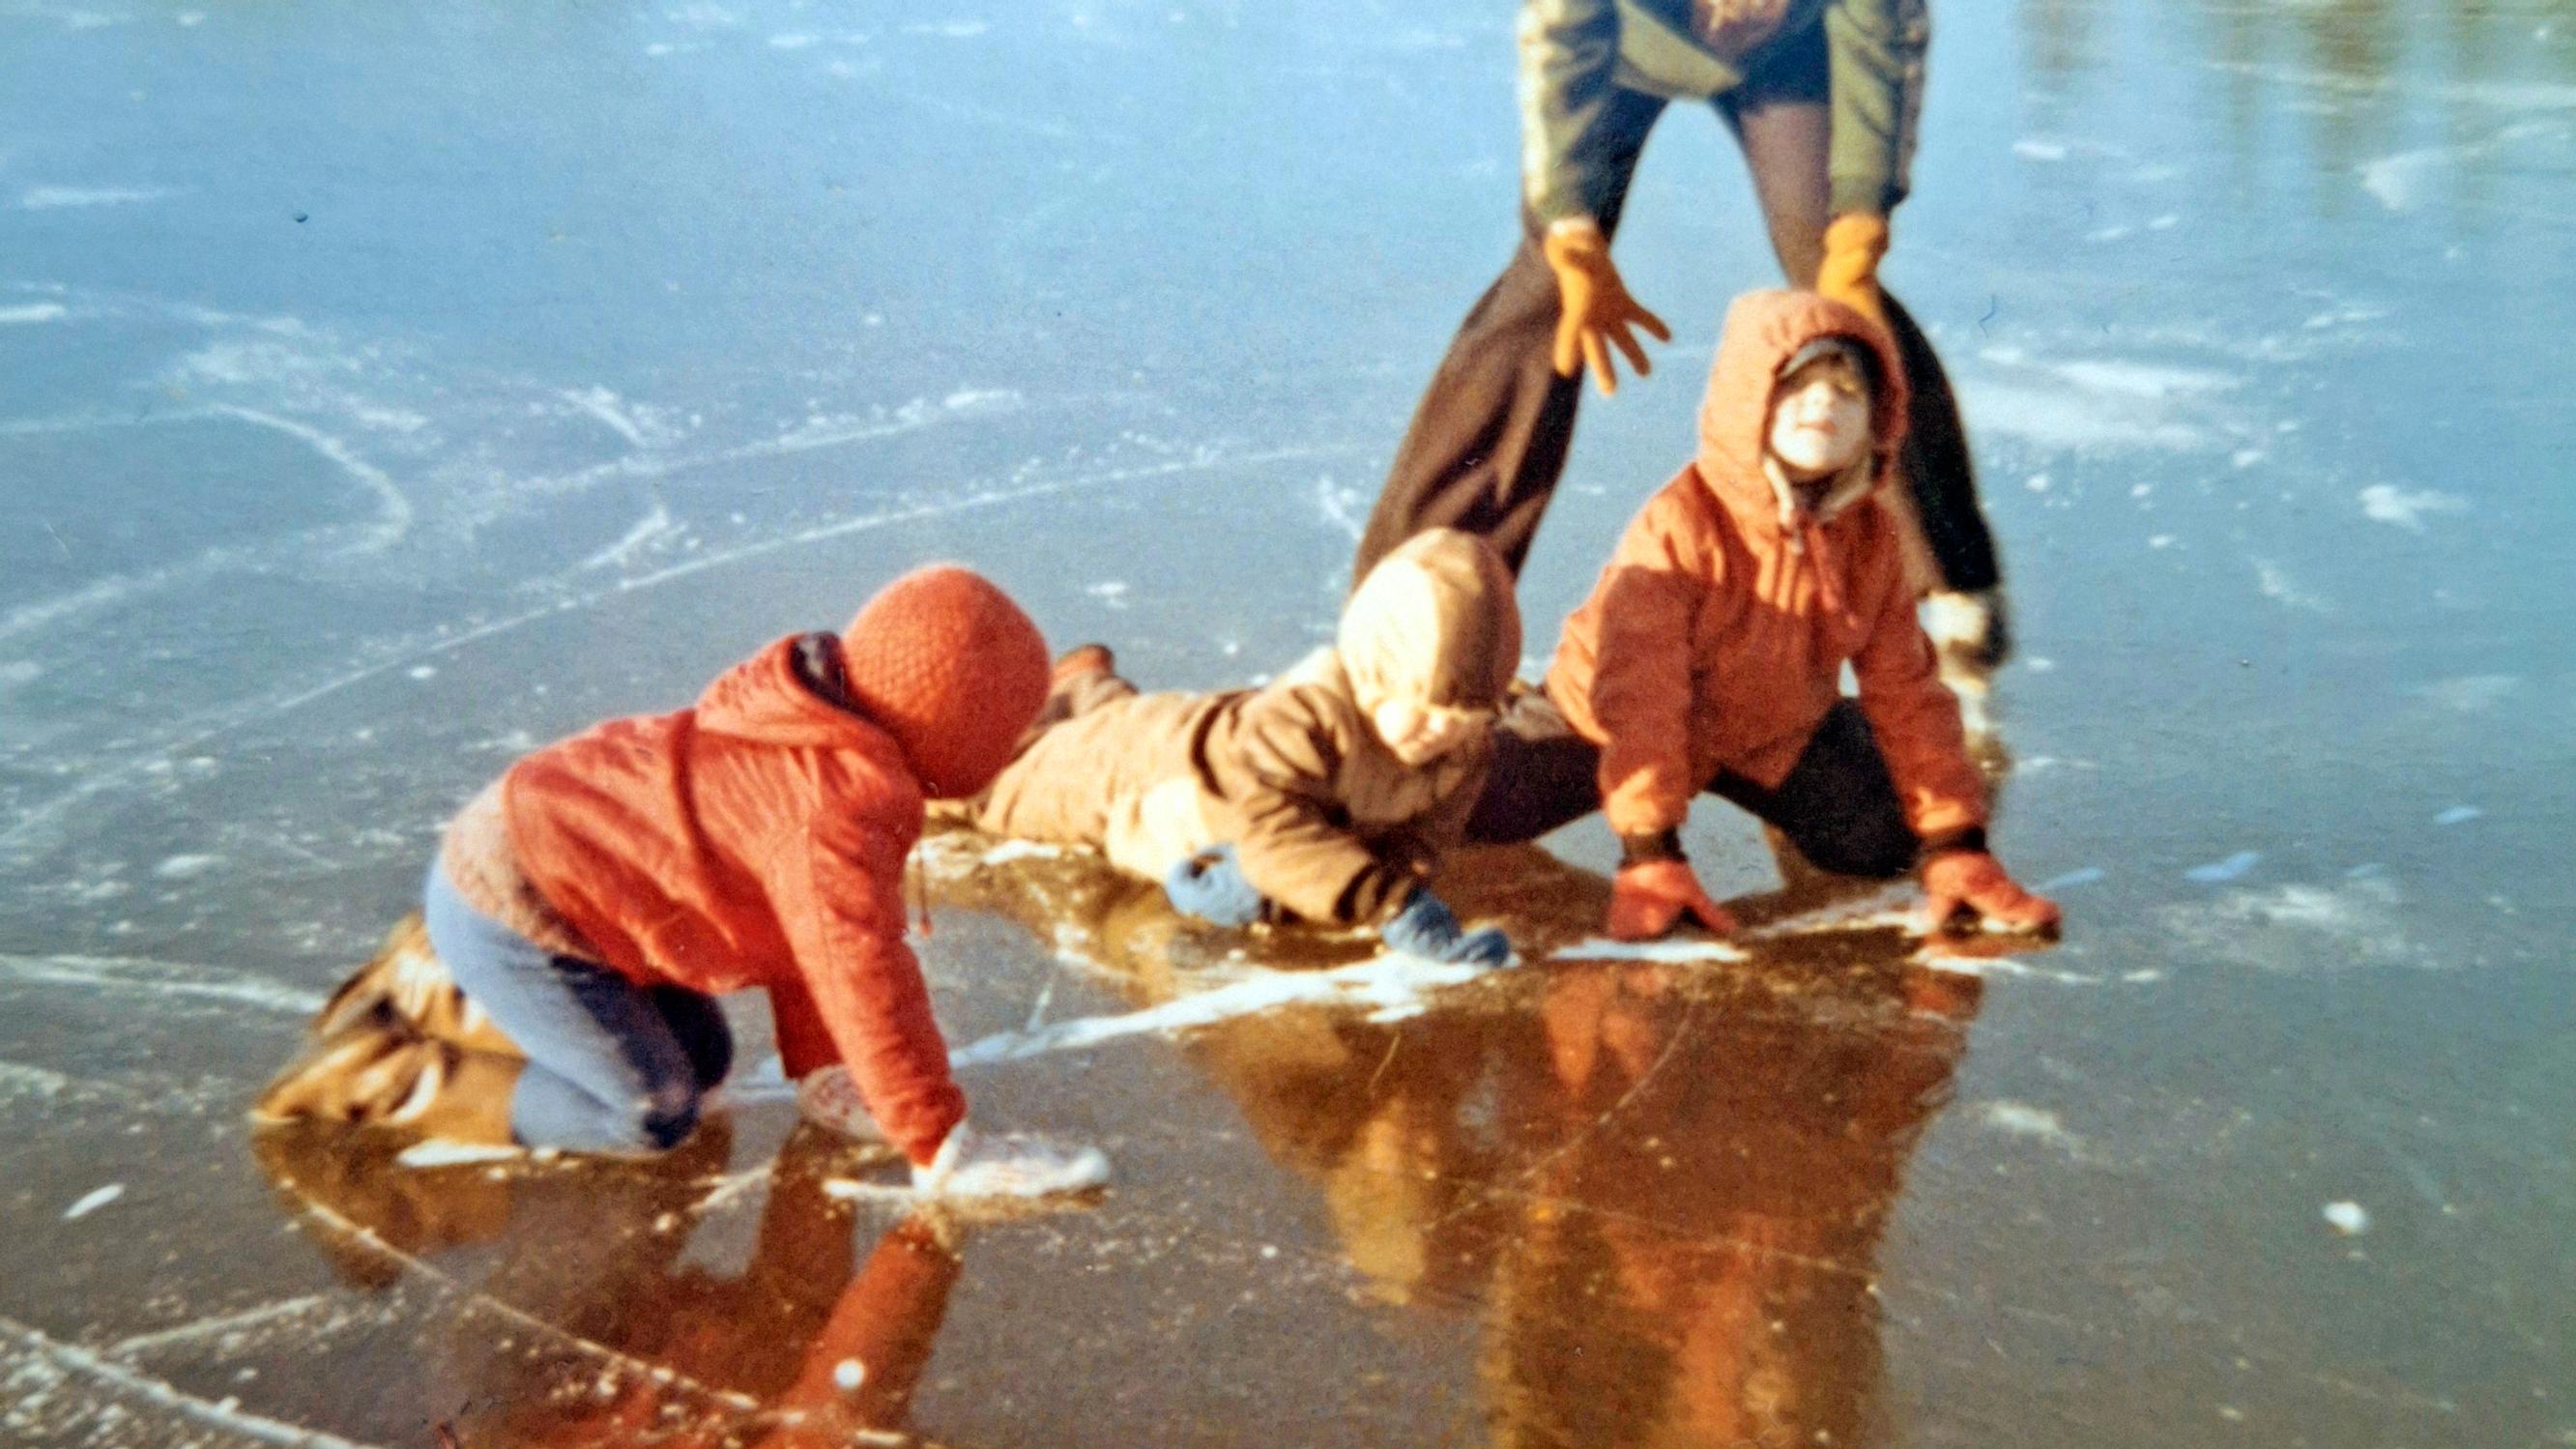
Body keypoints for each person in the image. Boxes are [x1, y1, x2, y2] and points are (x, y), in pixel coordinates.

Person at [254, 565, 1110, 1200]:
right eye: (1001, 730)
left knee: (705, 1063)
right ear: (951, 731)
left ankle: (463, 980)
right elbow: (862, 969)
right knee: (652, 1115)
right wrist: (940, 1142)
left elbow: (803, 941)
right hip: (520, 903)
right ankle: (383, 1066)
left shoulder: (827, 739)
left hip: (572, 884)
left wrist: (824, 1075)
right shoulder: (834, 809)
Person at [1350, 0, 2011, 684]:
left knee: (1839, 287)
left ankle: (1952, 582)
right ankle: (1412, 589)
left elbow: (1881, 23)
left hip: (1792, 57)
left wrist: (1859, 219)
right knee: (1552, 286)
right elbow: (1559, 33)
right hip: (1619, 44)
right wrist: (1570, 226)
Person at [1464, 289, 2058, 941]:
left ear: (1879, 417)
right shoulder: (1678, 524)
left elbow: (1906, 685)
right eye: (1797, 387)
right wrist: (1649, 852)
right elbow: (1642, 694)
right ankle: (1501, 719)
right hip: (1606, 720)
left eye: (1846, 392)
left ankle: (1842, 770)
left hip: (1769, 727)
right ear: (1750, 405)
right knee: (1469, 809)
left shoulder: (1872, 535)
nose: (1822, 405)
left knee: (1882, 839)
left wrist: (1955, 841)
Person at [963, 529, 1523, 967]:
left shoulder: (1463, 751)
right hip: (1145, 779)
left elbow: (1419, 842)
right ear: (1371, 673)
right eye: (1422, 706)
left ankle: (1083, 689)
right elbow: (1270, 835)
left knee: (1109, 723)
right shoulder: (1307, 719)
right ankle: (1001, 714)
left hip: (1208, 737)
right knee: (989, 789)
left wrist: (1390, 885)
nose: (1440, 731)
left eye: (1462, 718)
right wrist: (1386, 903)